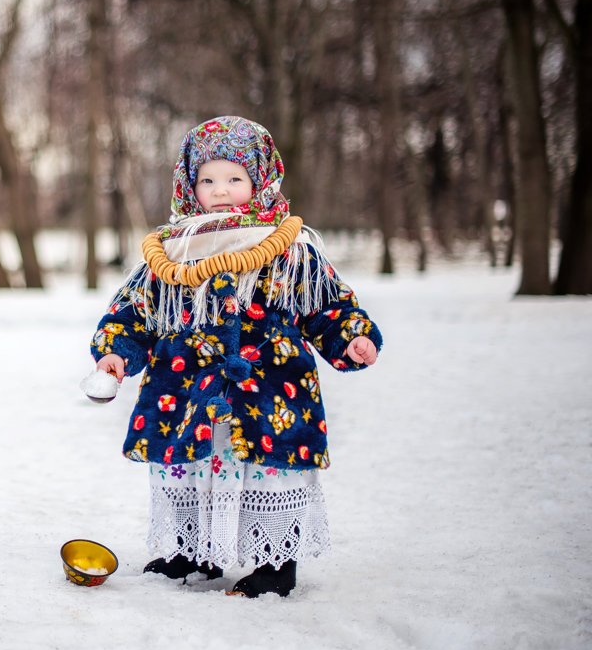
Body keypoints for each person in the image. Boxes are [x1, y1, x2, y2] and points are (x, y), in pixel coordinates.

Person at [85, 115, 382, 598]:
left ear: (260, 181)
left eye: (235, 179)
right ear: (189, 184)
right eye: (208, 180)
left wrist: (351, 338)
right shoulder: (171, 251)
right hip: (186, 388)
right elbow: (134, 312)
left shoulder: (289, 247)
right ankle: (191, 551)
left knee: (265, 470)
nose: (220, 191)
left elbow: (326, 306)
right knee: (193, 465)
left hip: (270, 388)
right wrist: (116, 352)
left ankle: (274, 562)